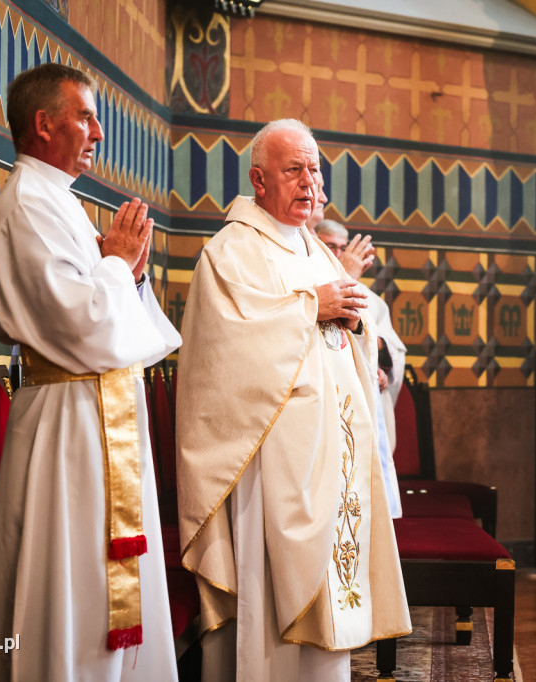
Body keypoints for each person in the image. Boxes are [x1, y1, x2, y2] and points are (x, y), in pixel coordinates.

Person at [174, 118, 411, 681]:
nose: (310, 182)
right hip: (273, 458)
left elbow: (348, 326)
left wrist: (352, 320)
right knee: (274, 605)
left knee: (332, 598)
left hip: (333, 455)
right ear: (259, 180)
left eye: (315, 169)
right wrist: (313, 307)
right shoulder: (230, 252)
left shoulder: (312, 248)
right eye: (294, 170)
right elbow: (226, 349)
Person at [0, 63, 181, 681]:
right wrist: (117, 265)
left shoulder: (53, 201)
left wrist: (128, 272)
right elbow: (84, 327)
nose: (97, 132)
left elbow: (109, 318)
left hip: (95, 423)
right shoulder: (27, 207)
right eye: (85, 116)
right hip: (69, 429)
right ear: (44, 124)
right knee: (72, 582)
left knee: (99, 582)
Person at [314, 219, 407, 516]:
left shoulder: (371, 300)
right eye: (331, 247)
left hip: (364, 407)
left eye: (344, 247)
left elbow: (391, 349)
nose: (340, 254)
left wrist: (378, 366)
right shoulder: (307, 291)